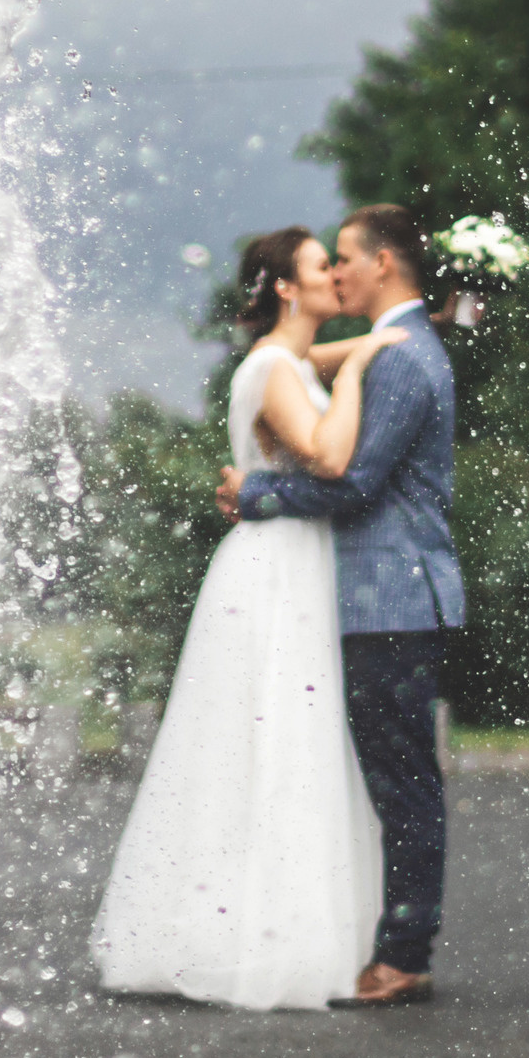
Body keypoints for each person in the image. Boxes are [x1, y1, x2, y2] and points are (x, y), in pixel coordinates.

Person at [90, 228, 408, 1009]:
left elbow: (317, 361)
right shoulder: (274, 368)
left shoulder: (286, 361)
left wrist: (372, 341)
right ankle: (260, 938)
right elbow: (330, 458)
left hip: (285, 561)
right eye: (316, 267)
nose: (334, 273)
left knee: (265, 740)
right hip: (275, 571)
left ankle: (257, 923)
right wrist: (366, 367)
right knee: (271, 740)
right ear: (286, 289)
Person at [218, 204, 462, 1008]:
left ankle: (402, 955)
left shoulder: (398, 360)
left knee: (403, 783)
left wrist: (257, 490)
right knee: (398, 778)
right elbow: (292, 358)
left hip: (390, 596)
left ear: (383, 265)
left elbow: (351, 482)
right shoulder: (400, 344)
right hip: (387, 596)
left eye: (346, 260)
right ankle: (397, 943)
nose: (338, 273)